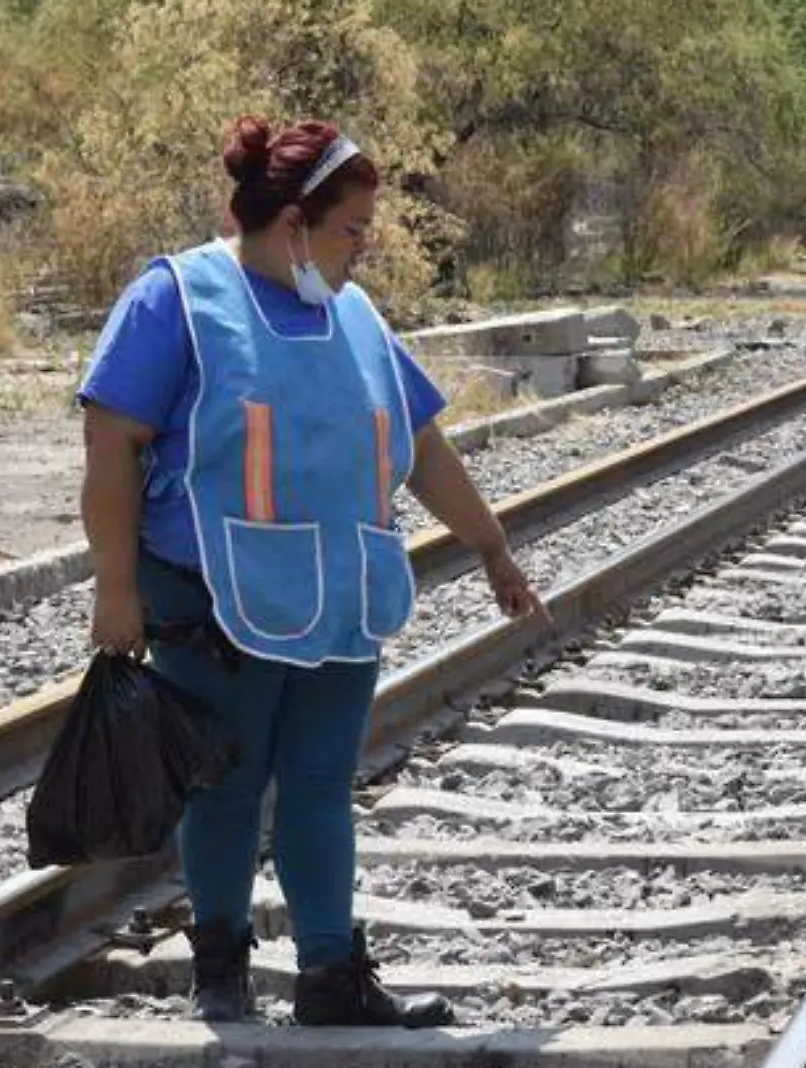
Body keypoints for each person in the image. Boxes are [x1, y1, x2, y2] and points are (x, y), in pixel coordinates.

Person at [75, 114, 546, 1028]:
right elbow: (110, 443)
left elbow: (419, 444)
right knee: (227, 781)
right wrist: (116, 587)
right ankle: (221, 970)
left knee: (324, 783)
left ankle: (334, 976)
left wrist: (490, 546)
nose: (361, 251)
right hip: (212, 597)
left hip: (339, 595)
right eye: (352, 232)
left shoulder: (354, 315)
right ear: (294, 222)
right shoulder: (175, 297)